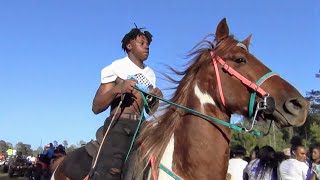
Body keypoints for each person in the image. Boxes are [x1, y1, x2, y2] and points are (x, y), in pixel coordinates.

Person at [91, 26, 163, 180]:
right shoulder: (116, 68)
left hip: (142, 128)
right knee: (110, 172)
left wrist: (156, 98)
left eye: (148, 44)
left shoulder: (151, 74)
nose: (147, 46)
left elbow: (150, 112)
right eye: (142, 43)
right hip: (118, 126)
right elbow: (96, 107)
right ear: (129, 46)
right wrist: (118, 89)